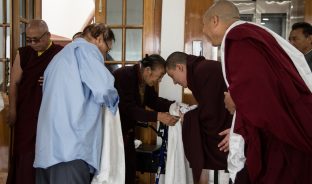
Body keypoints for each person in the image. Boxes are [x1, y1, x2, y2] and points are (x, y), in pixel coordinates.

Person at [203, 1, 312, 183]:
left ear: (214, 20)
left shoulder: (239, 40)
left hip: (279, 139)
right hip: (280, 127)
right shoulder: (251, 34)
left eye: (203, 24)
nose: (204, 31)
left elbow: (262, 99)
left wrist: (236, 100)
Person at [34, 23, 119, 184]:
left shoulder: (58, 58)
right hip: (71, 150)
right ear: (99, 39)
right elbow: (104, 89)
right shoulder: (87, 50)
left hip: (46, 151)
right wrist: (114, 104)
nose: (105, 55)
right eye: (107, 50)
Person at [7, 19, 63, 184]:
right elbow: (15, 83)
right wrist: (12, 110)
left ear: (48, 35)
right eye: (29, 39)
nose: (32, 43)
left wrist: (51, 79)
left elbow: (67, 82)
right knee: (25, 153)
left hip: (50, 114)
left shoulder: (60, 53)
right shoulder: (22, 53)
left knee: (46, 151)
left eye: (36, 39)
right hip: (26, 112)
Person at [166, 52, 232, 184]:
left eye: (172, 76)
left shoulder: (202, 71)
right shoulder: (199, 71)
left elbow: (212, 112)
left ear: (180, 67)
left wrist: (188, 117)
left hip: (229, 131)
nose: (174, 82)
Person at [113, 54, 179, 184]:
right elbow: (129, 109)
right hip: (115, 133)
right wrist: (158, 116)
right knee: (118, 174)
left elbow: (153, 101)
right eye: (159, 76)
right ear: (148, 70)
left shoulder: (145, 80)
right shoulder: (125, 75)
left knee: (129, 172)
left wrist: (174, 106)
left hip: (128, 133)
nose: (159, 80)